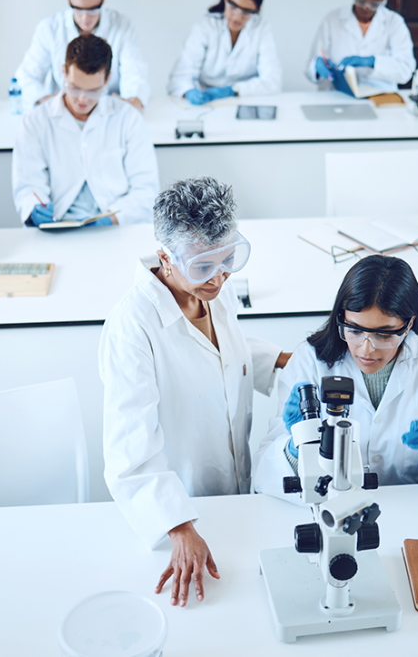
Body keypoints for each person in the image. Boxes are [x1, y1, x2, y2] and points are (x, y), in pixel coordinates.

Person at [99, 177, 291, 607]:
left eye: (227, 260)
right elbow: (128, 454)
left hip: (238, 500)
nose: (218, 278)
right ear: (165, 256)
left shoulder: (210, 290)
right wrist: (179, 526)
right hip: (182, 513)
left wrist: (281, 360)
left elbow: (222, 355)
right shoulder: (132, 328)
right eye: (203, 266)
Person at [254, 255, 418, 499]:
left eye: (384, 334)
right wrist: (297, 447)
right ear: (342, 317)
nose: (366, 349)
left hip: (417, 510)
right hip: (333, 508)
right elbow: (266, 474)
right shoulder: (308, 362)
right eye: (355, 330)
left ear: (409, 324)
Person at [12, 34, 158, 227]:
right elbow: (28, 185)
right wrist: (33, 209)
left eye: (93, 91)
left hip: (118, 227)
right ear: (64, 72)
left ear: (108, 79)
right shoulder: (35, 123)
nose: (82, 99)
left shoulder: (128, 119)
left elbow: (146, 190)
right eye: (74, 88)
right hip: (57, 226)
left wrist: (112, 219)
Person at [14, 0, 149, 110]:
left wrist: (133, 103)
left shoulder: (122, 26)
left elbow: (135, 76)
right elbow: (26, 77)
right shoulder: (49, 28)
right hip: (64, 112)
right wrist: (46, 101)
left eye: (93, 9)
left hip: (108, 112)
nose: (85, 18)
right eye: (78, 9)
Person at [167, 0, 281, 105]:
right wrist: (188, 91)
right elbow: (180, 76)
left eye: (246, 12)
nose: (237, 17)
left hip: (245, 101)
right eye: (233, 7)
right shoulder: (205, 28)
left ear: (256, 10)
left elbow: (272, 81)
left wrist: (233, 90)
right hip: (205, 102)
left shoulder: (261, 30)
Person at [305, 0, 414, 93]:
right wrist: (317, 68)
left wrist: (372, 62)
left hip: (380, 96)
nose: (366, 8)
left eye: (374, 4)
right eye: (361, 0)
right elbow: (311, 67)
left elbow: (405, 70)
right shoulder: (332, 20)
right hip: (337, 96)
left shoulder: (394, 23)